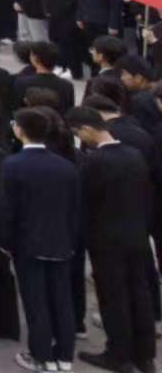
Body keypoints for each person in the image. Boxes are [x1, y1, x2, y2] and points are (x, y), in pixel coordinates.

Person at [68, 105, 155, 373]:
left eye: (78, 133)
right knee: (139, 293)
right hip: (137, 235)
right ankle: (145, 355)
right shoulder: (134, 155)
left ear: (86, 129)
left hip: (106, 240)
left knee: (113, 297)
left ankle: (118, 353)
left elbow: (84, 204)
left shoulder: (93, 162)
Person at [0, 108, 78, 372]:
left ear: (20, 130)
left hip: (27, 242)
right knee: (62, 299)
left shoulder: (13, 165)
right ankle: (65, 355)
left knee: (35, 301)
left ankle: (41, 355)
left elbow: (8, 209)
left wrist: (5, 242)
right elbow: (75, 208)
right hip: (61, 241)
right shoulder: (66, 167)